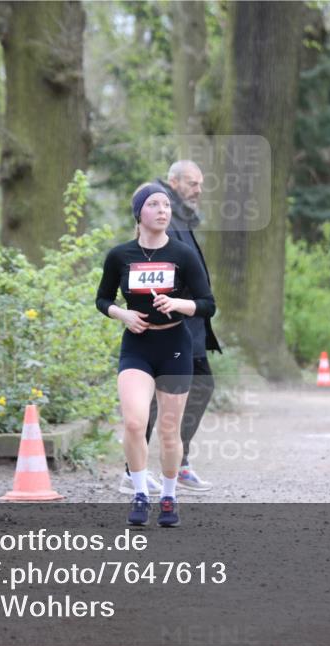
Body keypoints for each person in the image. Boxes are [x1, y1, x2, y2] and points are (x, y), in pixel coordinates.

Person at [96, 182, 215, 527]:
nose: (163, 211)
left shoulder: (182, 255)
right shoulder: (120, 256)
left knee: (168, 431)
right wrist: (123, 314)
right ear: (139, 214)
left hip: (174, 345)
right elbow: (103, 299)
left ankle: (168, 497)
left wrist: (178, 303)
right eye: (154, 205)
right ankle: (139, 494)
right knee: (134, 422)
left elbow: (209, 305)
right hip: (137, 346)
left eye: (166, 205)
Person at [118, 160, 222, 496]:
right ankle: (134, 471)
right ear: (174, 182)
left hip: (189, 322)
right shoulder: (164, 212)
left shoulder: (181, 216)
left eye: (200, 183)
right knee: (153, 398)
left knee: (201, 386)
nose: (199, 190)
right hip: (170, 324)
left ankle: (179, 463)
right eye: (192, 183)